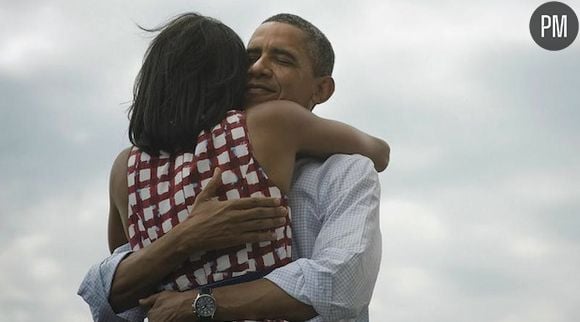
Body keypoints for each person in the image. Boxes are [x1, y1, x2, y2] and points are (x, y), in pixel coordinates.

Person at [79, 13, 386, 322]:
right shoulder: (257, 133)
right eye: (249, 58)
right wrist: (187, 235)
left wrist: (197, 303)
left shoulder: (345, 173)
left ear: (321, 89)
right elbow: (119, 281)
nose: (256, 69)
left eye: (282, 60)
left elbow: (341, 284)